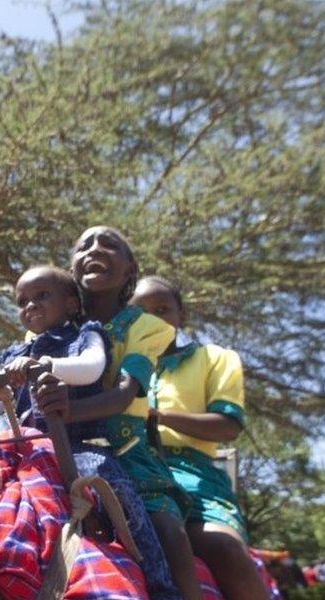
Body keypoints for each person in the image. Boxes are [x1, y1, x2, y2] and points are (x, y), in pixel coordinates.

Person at [0, 264, 183, 600]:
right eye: (22, 302)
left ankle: (159, 582)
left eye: (41, 296)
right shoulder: (14, 354)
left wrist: (44, 366)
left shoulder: (85, 336)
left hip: (75, 444)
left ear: (70, 305)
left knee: (112, 484)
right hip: (25, 449)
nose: (30, 306)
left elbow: (91, 367)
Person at [31, 226, 202, 599]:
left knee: (166, 529)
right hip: (57, 451)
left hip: (128, 457)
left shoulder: (147, 328)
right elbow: (14, 389)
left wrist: (62, 412)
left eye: (109, 244)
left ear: (129, 270)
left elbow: (124, 394)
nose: (95, 249)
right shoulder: (51, 329)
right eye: (84, 245)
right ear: (73, 268)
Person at [131, 275, 271, 600]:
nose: (152, 319)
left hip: (193, 475)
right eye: (140, 311)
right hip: (130, 467)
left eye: (162, 309)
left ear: (183, 316)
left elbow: (227, 425)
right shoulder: (115, 364)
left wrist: (158, 417)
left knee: (223, 548)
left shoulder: (216, 358)